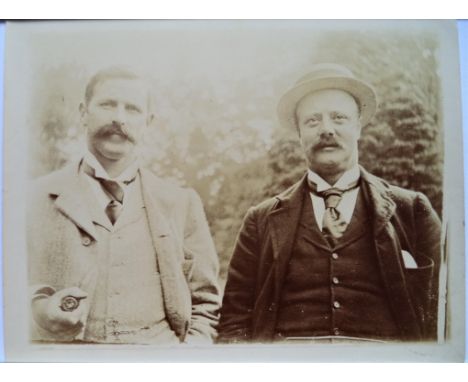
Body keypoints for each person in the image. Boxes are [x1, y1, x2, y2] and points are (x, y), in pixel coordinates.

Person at [218, 63, 441, 343]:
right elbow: (234, 321)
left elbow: (447, 313)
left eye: (339, 118)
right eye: (313, 121)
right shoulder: (260, 220)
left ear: (358, 127)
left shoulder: (412, 210)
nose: (326, 130)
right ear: (299, 133)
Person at [28, 67, 221, 345]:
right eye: (107, 104)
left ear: (148, 122)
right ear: (84, 112)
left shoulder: (180, 203)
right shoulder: (31, 198)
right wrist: (38, 309)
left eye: (132, 109)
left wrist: (186, 358)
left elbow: (206, 307)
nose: (119, 118)